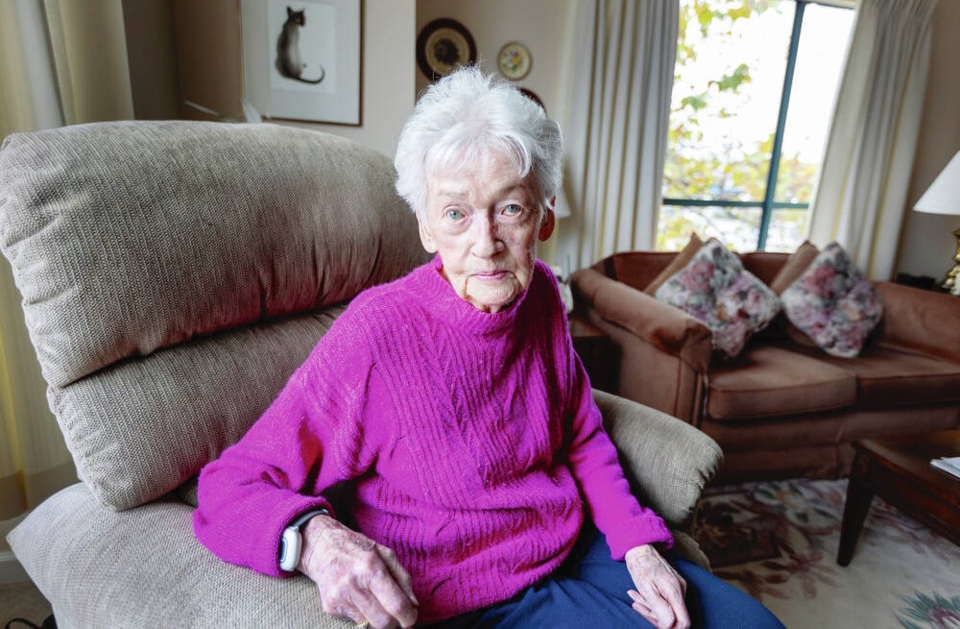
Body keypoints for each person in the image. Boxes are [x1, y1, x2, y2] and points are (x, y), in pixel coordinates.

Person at [194, 67, 784, 629]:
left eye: (509, 209)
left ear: (543, 218)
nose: (486, 244)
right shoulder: (378, 332)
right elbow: (230, 486)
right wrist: (318, 543)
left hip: (576, 548)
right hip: (471, 601)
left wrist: (635, 543)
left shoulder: (544, 296)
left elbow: (580, 434)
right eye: (455, 213)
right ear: (426, 227)